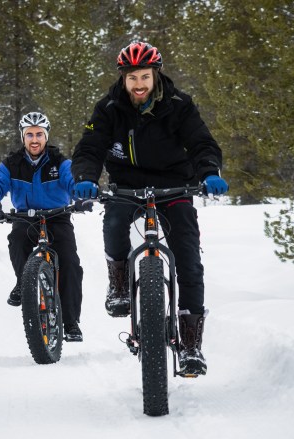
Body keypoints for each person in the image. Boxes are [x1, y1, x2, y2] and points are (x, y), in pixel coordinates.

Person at [71, 41, 229, 375]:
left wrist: (210, 172)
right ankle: (119, 285)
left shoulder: (179, 105)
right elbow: (90, 147)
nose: (139, 84)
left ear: (155, 75)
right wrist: (85, 177)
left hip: (175, 185)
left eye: (144, 76)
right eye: (132, 78)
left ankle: (190, 348)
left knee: (188, 259)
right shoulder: (109, 107)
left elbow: (201, 143)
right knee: (113, 223)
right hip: (126, 185)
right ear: (123, 79)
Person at [0, 112, 88, 342]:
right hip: (26, 217)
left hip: (57, 216)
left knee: (70, 262)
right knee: (17, 242)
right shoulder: (12, 163)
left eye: (39, 134)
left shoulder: (60, 162)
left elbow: (74, 181)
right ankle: (24, 283)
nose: (34, 139)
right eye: (29, 134)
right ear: (23, 137)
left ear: (46, 136)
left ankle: (70, 322)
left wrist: (81, 196)